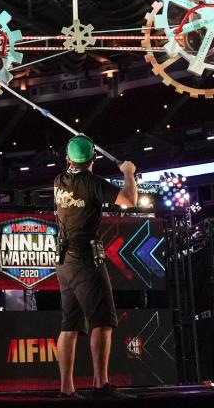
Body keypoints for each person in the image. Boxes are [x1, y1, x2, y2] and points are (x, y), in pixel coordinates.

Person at [53, 134, 138, 399]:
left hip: (64, 259)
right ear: (93, 158)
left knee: (70, 325)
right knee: (102, 321)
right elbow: (129, 200)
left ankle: (67, 389)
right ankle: (101, 385)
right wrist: (128, 173)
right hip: (85, 257)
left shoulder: (59, 181)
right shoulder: (91, 183)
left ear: (68, 159)